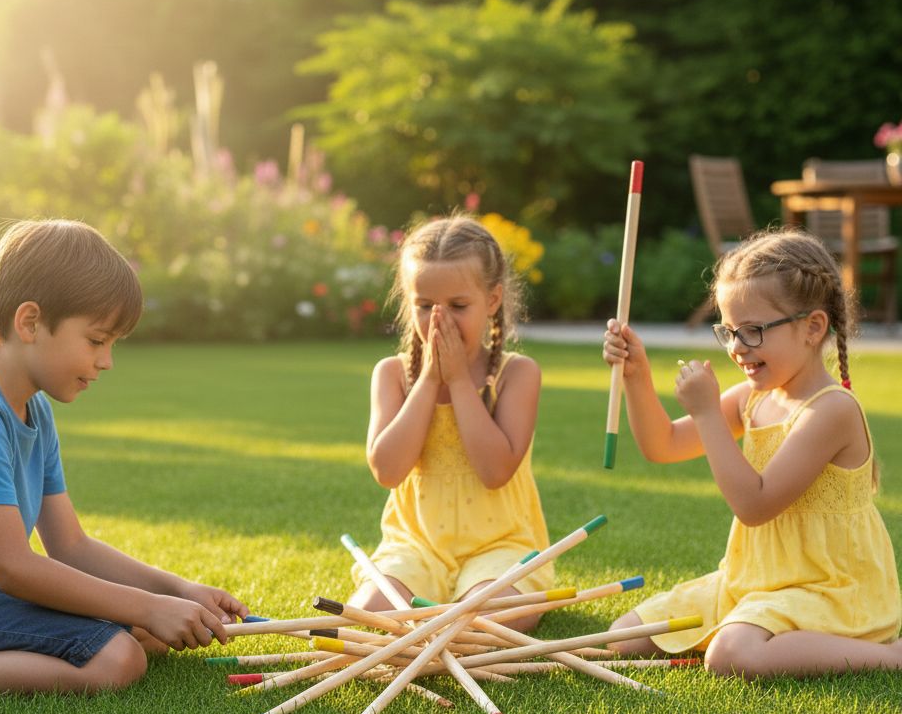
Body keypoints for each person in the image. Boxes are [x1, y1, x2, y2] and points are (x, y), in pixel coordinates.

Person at [0, 219, 248, 697]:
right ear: (30, 321)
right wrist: (145, 608)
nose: (107, 361)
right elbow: (13, 568)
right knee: (118, 657)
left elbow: (70, 546)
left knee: (151, 630)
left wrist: (175, 592)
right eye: (96, 340)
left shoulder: (34, 406)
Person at [602, 227, 901, 678]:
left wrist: (707, 414)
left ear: (812, 327)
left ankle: (891, 656)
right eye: (729, 331)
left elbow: (755, 504)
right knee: (620, 637)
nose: (737, 348)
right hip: (753, 580)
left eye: (753, 331)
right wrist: (636, 375)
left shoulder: (831, 411)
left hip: (828, 587)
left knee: (729, 656)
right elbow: (662, 445)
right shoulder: (754, 397)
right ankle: (753, 623)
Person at [348, 214, 553, 632]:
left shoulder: (517, 373)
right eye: (424, 306)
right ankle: (428, 610)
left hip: (501, 546)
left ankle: (459, 610)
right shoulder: (392, 374)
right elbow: (387, 470)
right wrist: (429, 379)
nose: (439, 320)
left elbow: (495, 471)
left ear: (492, 300)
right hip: (415, 547)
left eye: (458, 307)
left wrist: (458, 379)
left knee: (485, 625)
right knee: (369, 617)